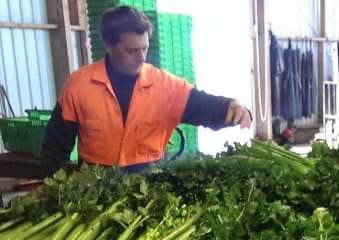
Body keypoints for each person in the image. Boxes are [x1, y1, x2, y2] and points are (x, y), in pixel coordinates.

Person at [41, 5, 251, 176]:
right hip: (95, 191)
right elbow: (55, 148)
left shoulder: (166, 86)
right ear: (108, 45)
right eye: (132, 50)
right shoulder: (79, 86)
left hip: (149, 192)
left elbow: (206, 108)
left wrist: (233, 106)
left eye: (144, 48)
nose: (142, 57)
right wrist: (57, 193)